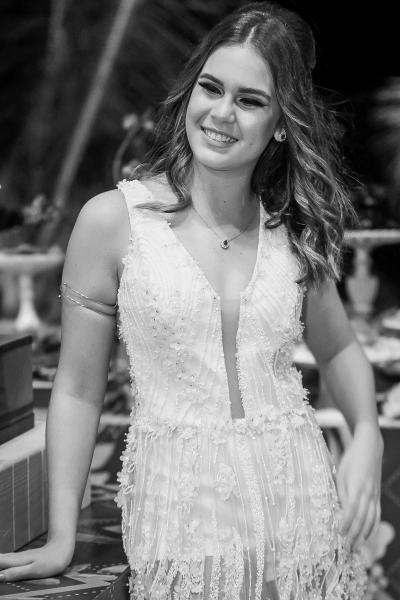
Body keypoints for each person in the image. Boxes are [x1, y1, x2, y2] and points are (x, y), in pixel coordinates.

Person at [0, 2, 383, 598]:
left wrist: (368, 436)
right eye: (211, 87)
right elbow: (77, 390)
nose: (222, 113)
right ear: (191, 91)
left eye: (250, 100)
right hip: (181, 520)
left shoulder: (292, 230)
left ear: (283, 123)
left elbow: (338, 350)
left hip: (300, 510)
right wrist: (60, 536)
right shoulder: (114, 221)